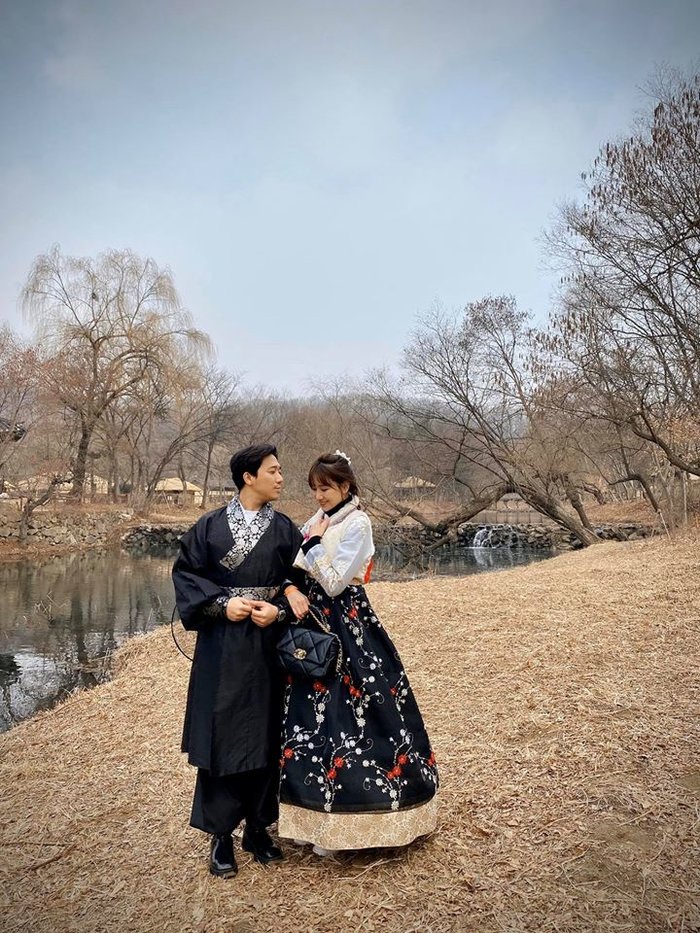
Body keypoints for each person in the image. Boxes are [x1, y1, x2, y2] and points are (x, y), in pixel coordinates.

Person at [278, 451, 439, 855]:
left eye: (326, 488)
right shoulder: (318, 520)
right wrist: (293, 587)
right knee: (307, 717)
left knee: (353, 715)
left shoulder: (358, 523)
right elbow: (295, 570)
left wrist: (314, 543)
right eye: (314, 489)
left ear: (345, 485)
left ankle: (359, 820)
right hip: (311, 622)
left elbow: (335, 582)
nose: (319, 496)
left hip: (348, 623)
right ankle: (310, 818)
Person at [172, 443, 308, 878]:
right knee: (221, 732)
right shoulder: (208, 527)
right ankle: (221, 835)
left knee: (268, 730)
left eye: (280, 470)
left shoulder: (285, 529)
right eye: (273, 471)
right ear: (249, 477)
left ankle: (258, 828)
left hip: (269, 645)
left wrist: (280, 608)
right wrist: (219, 605)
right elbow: (186, 576)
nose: (281, 478)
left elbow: (300, 581)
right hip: (222, 645)